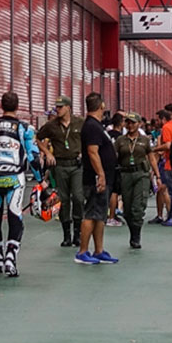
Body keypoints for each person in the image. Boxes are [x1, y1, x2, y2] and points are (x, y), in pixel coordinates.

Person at [0, 91, 40, 277]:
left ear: (1, 106)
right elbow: (34, 158)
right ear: (17, 107)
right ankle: (11, 256)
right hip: (15, 179)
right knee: (14, 215)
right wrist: (41, 180)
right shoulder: (25, 128)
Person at [75, 92, 119, 265]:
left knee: (100, 215)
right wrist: (100, 174)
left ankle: (99, 250)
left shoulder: (97, 126)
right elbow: (93, 152)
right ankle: (82, 251)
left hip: (106, 176)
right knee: (91, 214)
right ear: (102, 105)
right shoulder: (92, 126)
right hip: (95, 178)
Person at [36, 96, 85, 249]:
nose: (57, 109)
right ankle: (66, 235)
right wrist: (47, 153)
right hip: (60, 165)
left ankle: (77, 233)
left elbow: (88, 139)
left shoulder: (80, 122)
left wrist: (83, 152)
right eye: (56, 107)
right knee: (62, 199)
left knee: (78, 197)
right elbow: (37, 138)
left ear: (68, 107)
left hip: (76, 165)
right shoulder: (51, 125)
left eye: (60, 107)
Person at [116, 113, 154, 252]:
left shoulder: (144, 140)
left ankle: (136, 237)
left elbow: (150, 156)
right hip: (126, 174)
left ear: (139, 124)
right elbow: (115, 157)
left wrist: (157, 174)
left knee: (138, 207)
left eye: (133, 122)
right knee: (127, 209)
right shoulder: (120, 140)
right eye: (128, 123)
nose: (130, 125)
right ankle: (133, 231)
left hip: (141, 174)